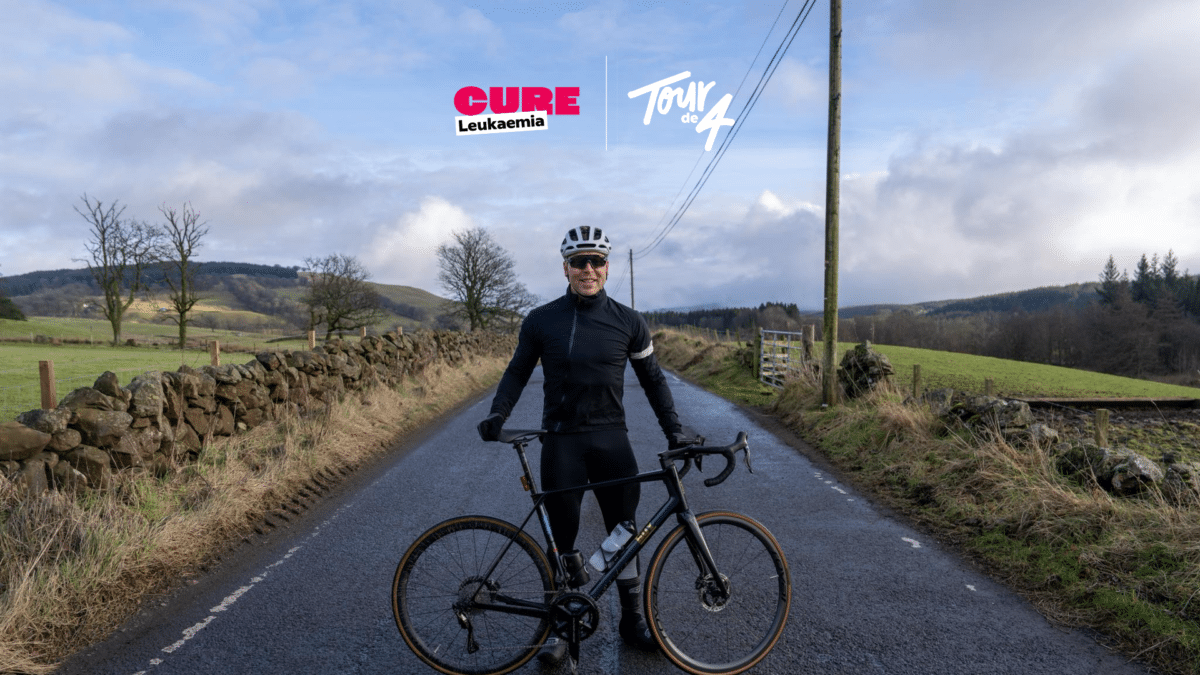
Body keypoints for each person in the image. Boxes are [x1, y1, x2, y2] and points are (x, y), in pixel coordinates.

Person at [477, 225, 686, 664]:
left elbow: (653, 380)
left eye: (596, 261)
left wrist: (675, 432)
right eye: (578, 262)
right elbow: (517, 372)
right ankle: (560, 626)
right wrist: (498, 414)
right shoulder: (542, 320)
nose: (587, 269)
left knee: (624, 532)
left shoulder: (629, 322)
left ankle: (632, 620)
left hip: (612, 440)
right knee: (562, 538)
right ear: (565, 268)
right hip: (562, 443)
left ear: (607, 267)